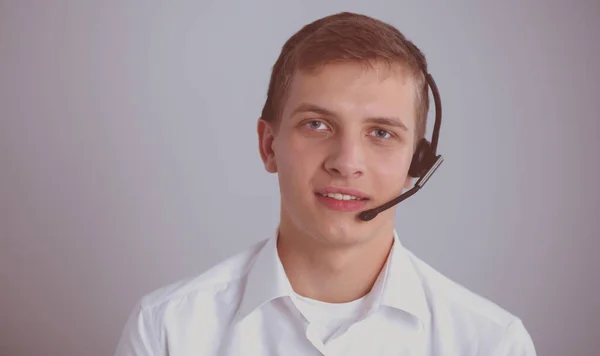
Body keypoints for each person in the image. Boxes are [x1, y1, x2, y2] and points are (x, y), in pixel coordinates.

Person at [114, 11, 536, 355]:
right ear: (268, 146)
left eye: (381, 133)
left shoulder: (491, 343)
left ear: (418, 162)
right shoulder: (167, 331)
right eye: (317, 125)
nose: (346, 163)